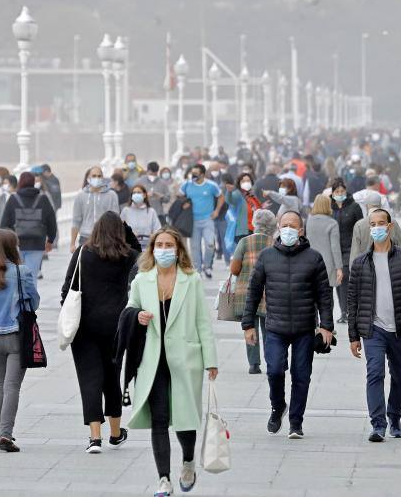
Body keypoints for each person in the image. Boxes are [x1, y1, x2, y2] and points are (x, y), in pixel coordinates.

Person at [126, 227, 218, 495]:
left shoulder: (192, 280)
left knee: (184, 418)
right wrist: (137, 315)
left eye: (169, 245)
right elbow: (129, 309)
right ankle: (163, 479)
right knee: (160, 418)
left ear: (178, 250)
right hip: (151, 360)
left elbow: (203, 321)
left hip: (184, 358)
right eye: (159, 244)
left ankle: (188, 460)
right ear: (152, 249)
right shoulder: (141, 280)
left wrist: (210, 360)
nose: (164, 249)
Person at [242, 211, 333, 439]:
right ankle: (277, 407)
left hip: (304, 328)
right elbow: (253, 291)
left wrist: (326, 326)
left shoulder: (314, 258)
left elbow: (324, 295)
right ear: (278, 229)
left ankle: (296, 421)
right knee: (274, 371)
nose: (289, 229)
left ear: (301, 230)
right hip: (275, 327)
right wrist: (248, 325)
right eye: (285, 225)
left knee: (301, 375)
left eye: (293, 225)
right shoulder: (267, 256)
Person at [62, 212, 138, 454]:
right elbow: (145, 255)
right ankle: (115, 433)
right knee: (111, 379)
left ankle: (95, 438)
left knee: (89, 380)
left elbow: (67, 288)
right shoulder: (127, 256)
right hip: (116, 327)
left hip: (84, 327)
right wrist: (127, 230)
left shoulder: (83, 253)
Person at [347, 208, 401, 442]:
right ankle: (378, 424)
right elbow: (353, 300)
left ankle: (395, 416)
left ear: (390, 227)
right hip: (373, 329)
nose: (377, 228)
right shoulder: (360, 263)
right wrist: (353, 336)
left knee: (400, 375)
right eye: (373, 224)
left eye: (381, 223)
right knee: (375, 373)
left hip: (400, 327)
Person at [0, 229, 39, 453]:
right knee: (12, 386)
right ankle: (5, 433)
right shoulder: (21, 272)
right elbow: (34, 302)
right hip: (15, 336)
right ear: (12, 246)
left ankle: (2, 430)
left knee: (1, 385)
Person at [230, 209, 276, 374]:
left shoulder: (244, 242)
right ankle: (272, 361)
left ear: (255, 223)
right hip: (269, 291)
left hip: (246, 292)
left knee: (250, 326)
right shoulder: (275, 242)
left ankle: (254, 364)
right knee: (269, 329)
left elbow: (234, 269)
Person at [0, 172, 57, 280]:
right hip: (37, 244)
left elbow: (4, 224)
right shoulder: (43, 199)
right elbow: (51, 221)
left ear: (20, 182)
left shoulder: (13, 199)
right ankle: (31, 296)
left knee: (17, 278)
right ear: (33, 182)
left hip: (15, 245)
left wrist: (4, 243)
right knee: (31, 277)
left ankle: (19, 297)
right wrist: (50, 240)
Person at [178, 164, 224, 279]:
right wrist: (184, 203)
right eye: (192, 173)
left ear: (202, 174)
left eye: (196, 174)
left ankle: (207, 266)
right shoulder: (187, 184)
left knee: (210, 244)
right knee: (195, 247)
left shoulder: (211, 185)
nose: (193, 175)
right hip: (192, 220)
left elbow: (221, 197)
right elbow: (179, 195)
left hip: (207, 219)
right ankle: (197, 270)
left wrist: (217, 211)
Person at [331, 179, 363, 325]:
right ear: (332, 193)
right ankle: (344, 310)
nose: (340, 194)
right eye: (337, 192)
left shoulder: (354, 207)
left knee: (345, 277)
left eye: (342, 191)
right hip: (335, 249)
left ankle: (348, 310)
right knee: (339, 280)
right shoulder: (330, 208)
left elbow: (361, 226)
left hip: (350, 248)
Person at [350, 191, 401, 264]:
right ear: (380, 205)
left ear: (367, 206)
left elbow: (355, 253)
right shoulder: (392, 223)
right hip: (390, 266)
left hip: (366, 269)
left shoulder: (359, 225)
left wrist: (353, 271)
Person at [306, 194, 344, 298]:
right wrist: (339, 268)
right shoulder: (332, 223)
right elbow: (335, 247)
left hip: (310, 263)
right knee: (327, 299)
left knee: (312, 297)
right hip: (328, 265)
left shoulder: (309, 222)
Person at [121, 184, 162, 250]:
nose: (136, 194)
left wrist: (153, 235)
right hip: (130, 248)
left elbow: (158, 229)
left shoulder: (151, 211)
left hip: (148, 248)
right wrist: (130, 234)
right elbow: (120, 229)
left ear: (145, 195)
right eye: (134, 193)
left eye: (139, 192)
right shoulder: (126, 211)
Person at [226, 173, 262, 245]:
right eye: (243, 181)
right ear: (239, 183)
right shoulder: (238, 194)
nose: (246, 183)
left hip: (254, 230)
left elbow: (256, 210)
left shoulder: (251, 195)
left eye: (248, 181)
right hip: (243, 232)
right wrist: (229, 192)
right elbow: (230, 200)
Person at [136, 162, 172, 228]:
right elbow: (135, 197)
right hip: (143, 213)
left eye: (154, 174)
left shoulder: (162, 183)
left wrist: (161, 196)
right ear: (147, 171)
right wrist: (145, 195)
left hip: (158, 214)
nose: (152, 175)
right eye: (150, 173)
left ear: (157, 172)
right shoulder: (140, 181)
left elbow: (167, 199)